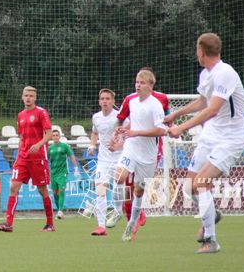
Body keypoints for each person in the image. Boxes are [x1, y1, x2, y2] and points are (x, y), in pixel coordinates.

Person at [166, 33, 244, 254]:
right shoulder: (206, 74)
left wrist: (181, 128)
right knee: (188, 186)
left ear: (201, 51)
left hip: (230, 138)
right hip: (210, 135)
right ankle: (211, 213)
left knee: (201, 183)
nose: (196, 53)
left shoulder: (225, 73)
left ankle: (211, 240)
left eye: (196, 50)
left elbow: (211, 109)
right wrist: (177, 114)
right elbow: (203, 101)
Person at [111, 69, 167, 242]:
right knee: (119, 176)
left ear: (151, 86)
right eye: (137, 82)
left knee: (139, 190)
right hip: (131, 147)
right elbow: (122, 120)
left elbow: (161, 130)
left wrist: (137, 132)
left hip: (148, 154)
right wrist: (119, 132)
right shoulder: (131, 101)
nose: (138, 85)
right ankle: (117, 211)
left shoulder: (156, 105)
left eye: (142, 83)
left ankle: (131, 224)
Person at [0, 86, 55, 233]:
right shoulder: (20, 115)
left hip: (38, 157)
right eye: (26, 95)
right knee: (13, 187)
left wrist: (39, 145)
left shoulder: (41, 113)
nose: (28, 98)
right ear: (22, 97)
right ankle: (8, 224)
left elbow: (49, 134)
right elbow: (22, 137)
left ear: (35, 98)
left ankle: (50, 224)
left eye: (31, 96)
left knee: (42, 191)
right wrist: (18, 155)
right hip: (23, 157)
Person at [87, 88, 121, 236]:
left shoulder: (120, 117)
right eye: (102, 99)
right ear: (99, 101)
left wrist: (118, 146)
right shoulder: (96, 117)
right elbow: (95, 133)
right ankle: (101, 226)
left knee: (121, 192)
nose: (105, 101)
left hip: (121, 158)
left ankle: (126, 213)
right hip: (103, 160)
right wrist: (93, 145)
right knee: (100, 190)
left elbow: (129, 135)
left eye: (108, 99)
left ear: (113, 101)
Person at [47, 128, 80, 219]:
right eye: (53, 135)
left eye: (57, 135)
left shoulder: (65, 146)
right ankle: (59, 211)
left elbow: (71, 156)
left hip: (63, 172)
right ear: (51, 137)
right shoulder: (49, 148)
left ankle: (60, 211)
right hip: (53, 173)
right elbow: (47, 160)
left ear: (59, 136)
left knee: (61, 190)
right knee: (55, 193)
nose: (55, 137)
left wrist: (76, 168)